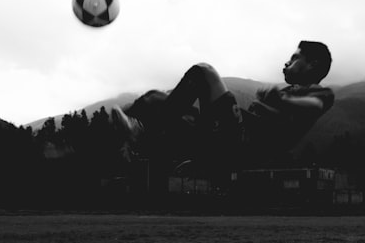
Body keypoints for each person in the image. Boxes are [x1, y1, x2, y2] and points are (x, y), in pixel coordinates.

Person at [112, 40, 334, 169]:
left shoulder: (321, 93)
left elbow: (314, 105)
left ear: (313, 64)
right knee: (153, 98)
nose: (287, 62)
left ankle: (141, 135)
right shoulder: (281, 93)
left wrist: (282, 101)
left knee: (204, 71)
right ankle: (126, 134)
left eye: (294, 58)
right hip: (222, 138)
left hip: (242, 146)